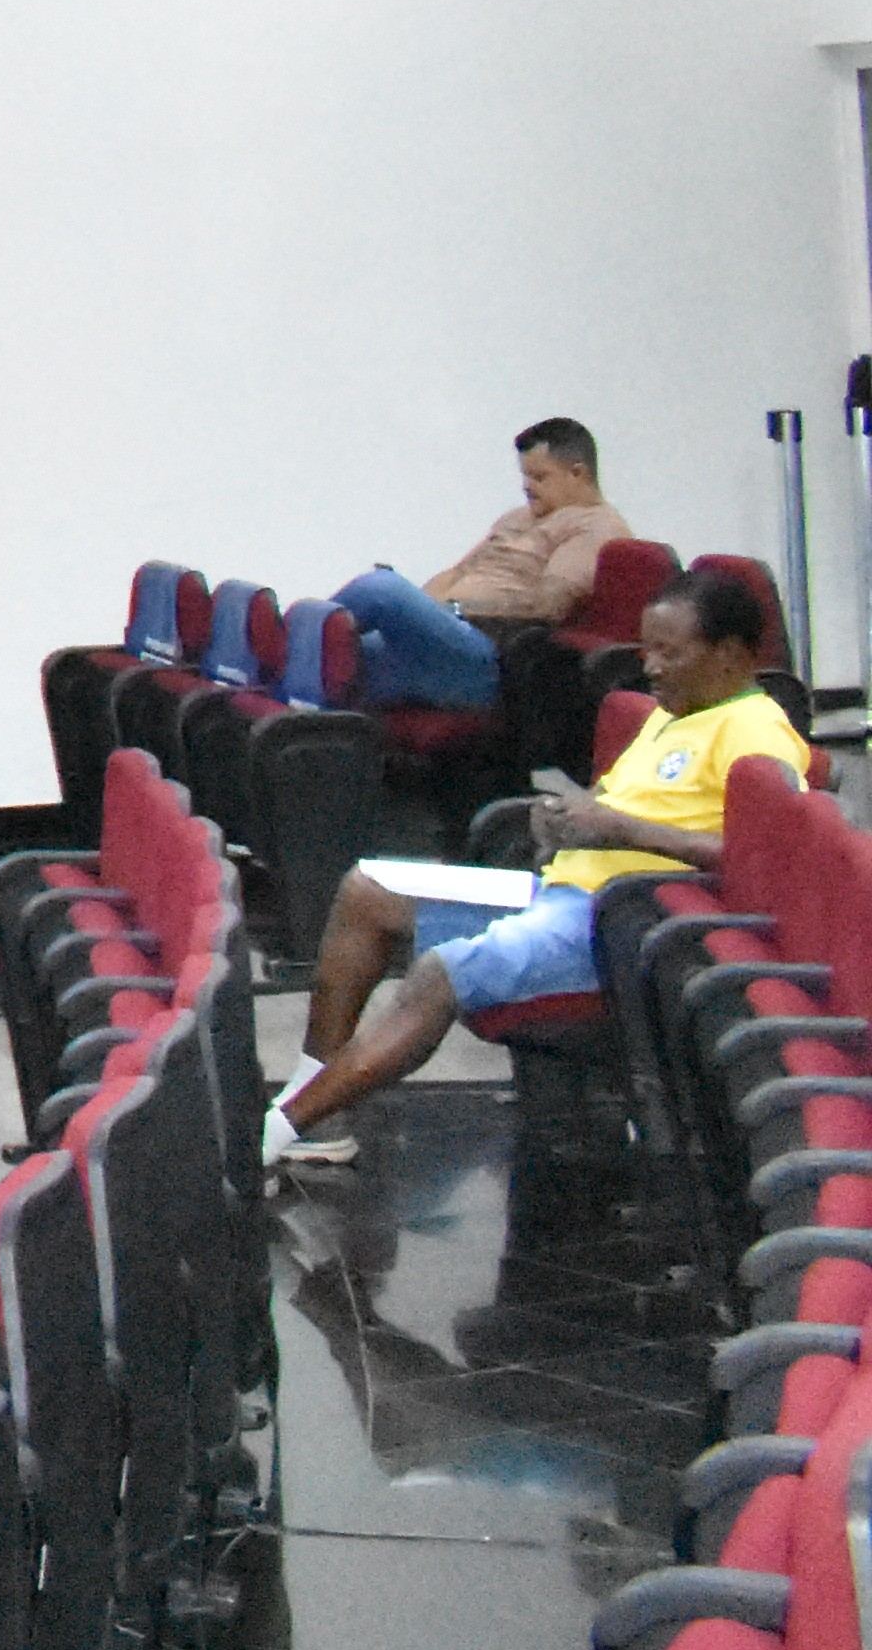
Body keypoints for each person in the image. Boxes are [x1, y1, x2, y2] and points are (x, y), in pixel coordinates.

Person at [270, 566, 797, 1163]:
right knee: (369, 887)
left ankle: (279, 1131)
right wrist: (566, 816)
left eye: (669, 653)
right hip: (558, 887)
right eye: (648, 650)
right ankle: (314, 1107)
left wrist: (617, 828)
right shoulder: (674, 712)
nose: (651, 667)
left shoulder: (758, 733)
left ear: (729, 654)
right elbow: (620, 802)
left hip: (617, 920)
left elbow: (766, 860)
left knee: (440, 971)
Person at [325, 418, 633, 714]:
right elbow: (456, 573)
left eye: (539, 477)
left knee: (381, 588)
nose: (526, 487)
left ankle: (297, 634)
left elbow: (546, 607)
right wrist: (422, 610)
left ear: (577, 473)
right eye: (524, 476)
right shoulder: (517, 518)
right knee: (332, 661)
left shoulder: (596, 527)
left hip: (487, 656)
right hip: (445, 641)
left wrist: (455, 609)